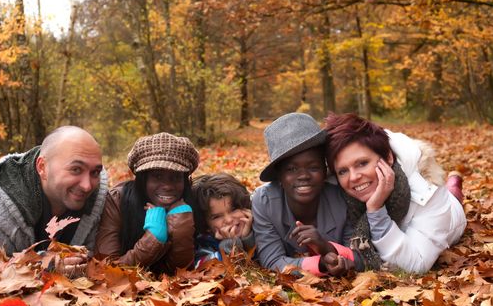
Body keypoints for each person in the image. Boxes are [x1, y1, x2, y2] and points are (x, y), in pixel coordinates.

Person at [324, 113, 466, 273]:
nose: (354, 177)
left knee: (453, 196)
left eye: (362, 163)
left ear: (388, 158)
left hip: (453, 216)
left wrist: (376, 210)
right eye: (343, 171)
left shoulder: (427, 191)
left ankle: (454, 184)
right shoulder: (335, 190)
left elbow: (416, 265)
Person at [0, 126, 108, 273]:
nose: (87, 186)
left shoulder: (98, 202)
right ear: (42, 167)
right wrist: (44, 266)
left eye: (95, 172)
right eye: (76, 169)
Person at [252, 113, 359, 277]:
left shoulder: (342, 196)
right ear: (279, 176)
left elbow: (359, 257)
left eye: (313, 167)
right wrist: (321, 264)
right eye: (291, 169)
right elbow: (272, 261)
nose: (303, 176)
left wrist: (325, 247)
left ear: (325, 171)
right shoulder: (264, 202)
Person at [94, 132, 199, 274]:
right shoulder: (117, 201)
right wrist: (154, 237)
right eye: (157, 176)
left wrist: (181, 230)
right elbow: (105, 270)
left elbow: (180, 274)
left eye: (175, 177)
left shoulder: (190, 205)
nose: (167, 186)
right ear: (143, 179)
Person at [192, 173, 254, 267]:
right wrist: (229, 245)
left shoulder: (261, 225)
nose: (229, 220)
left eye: (233, 209)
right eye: (217, 217)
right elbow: (205, 267)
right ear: (206, 225)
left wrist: (248, 240)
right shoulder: (205, 244)